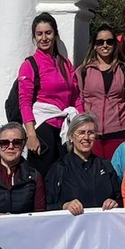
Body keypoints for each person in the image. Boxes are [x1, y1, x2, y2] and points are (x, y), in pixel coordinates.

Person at [16, 12, 81, 170]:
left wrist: (80, 123)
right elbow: (24, 102)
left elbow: (76, 96)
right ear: (34, 37)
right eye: (39, 34)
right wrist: (31, 134)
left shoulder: (65, 64)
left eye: (48, 33)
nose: (44, 38)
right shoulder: (30, 65)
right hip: (43, 128)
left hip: (64, 129)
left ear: (55, 34)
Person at [78, 23, 125, 160]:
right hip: (92, 134)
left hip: (119, 132)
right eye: (100, 42)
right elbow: (79, 100)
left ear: (114, 44)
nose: (105, 45)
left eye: (109, 42)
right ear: (94, 45)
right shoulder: (83, 71)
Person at [45, 114, 122, 213]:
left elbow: (120, 198)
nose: (86, 137)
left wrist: (114, 203)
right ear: (71, 137)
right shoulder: (59, 168)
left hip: (102, 222)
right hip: (72, 223)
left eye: (90, 133)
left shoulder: (106, 166)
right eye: (81, 133)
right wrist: (65, 206)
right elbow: (46, 206)